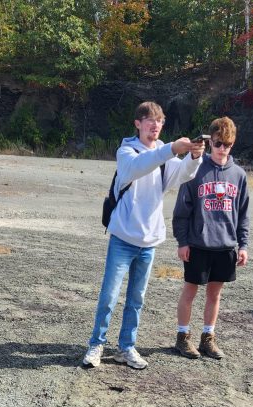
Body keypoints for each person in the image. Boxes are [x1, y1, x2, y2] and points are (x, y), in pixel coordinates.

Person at [82, 102, 205, 370]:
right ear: (137, 123)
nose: (155, 125)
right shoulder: (127, 151)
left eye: (159, 121)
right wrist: (171, 148)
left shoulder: (165, 157)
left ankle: (127, 347)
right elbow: (139, 167)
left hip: (149, 241)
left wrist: (193, 157)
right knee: (109, 296)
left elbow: (181, 177)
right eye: (149, 120)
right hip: (123, 238)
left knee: (136, 300)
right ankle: (96, 344)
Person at [170, 117, 250, 359]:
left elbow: (243, 213)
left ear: (232, 144)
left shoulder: (239, 175)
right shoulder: (195, 170)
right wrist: (182, 241)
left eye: (226, 144)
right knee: (190, 290)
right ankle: (183, 337)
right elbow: (181, 211)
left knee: (215, 293)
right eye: (217, 144)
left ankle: (208, 338)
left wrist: (243, 244)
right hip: (198, 244)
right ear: (210, 141)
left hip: (225, 245)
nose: (221, 149)